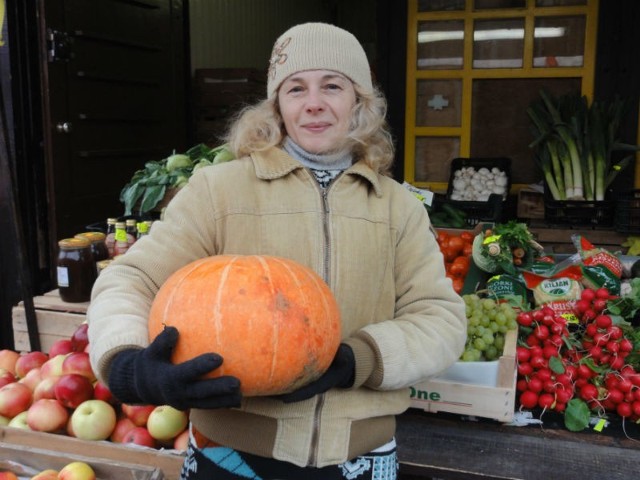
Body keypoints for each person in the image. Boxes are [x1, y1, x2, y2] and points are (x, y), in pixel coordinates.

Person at [87, 22, 467, 480]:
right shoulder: (218, 191)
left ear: (360, 102)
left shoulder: (397, 207)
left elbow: (440, 317)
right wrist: (128, 362)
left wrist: (354, 360)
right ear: (276, 105)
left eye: (332, 85)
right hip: (231, 455)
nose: (313, 103)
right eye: (295, 88)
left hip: (361, 457)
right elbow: (131, 279)